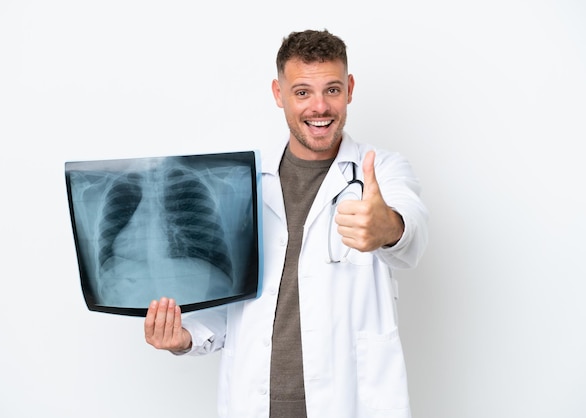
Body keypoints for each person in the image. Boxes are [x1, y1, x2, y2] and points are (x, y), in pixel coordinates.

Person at [144, 29, 429, 418]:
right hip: (256, 404)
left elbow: (411, 233)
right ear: (279, 95)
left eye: (331, 90)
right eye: (302, 92)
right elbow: (234, 308)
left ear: (349, 89)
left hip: (349, 403)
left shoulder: (381, 171)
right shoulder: (244, 181)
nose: (319, 107)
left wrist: (388, 229)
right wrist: (185, 337)